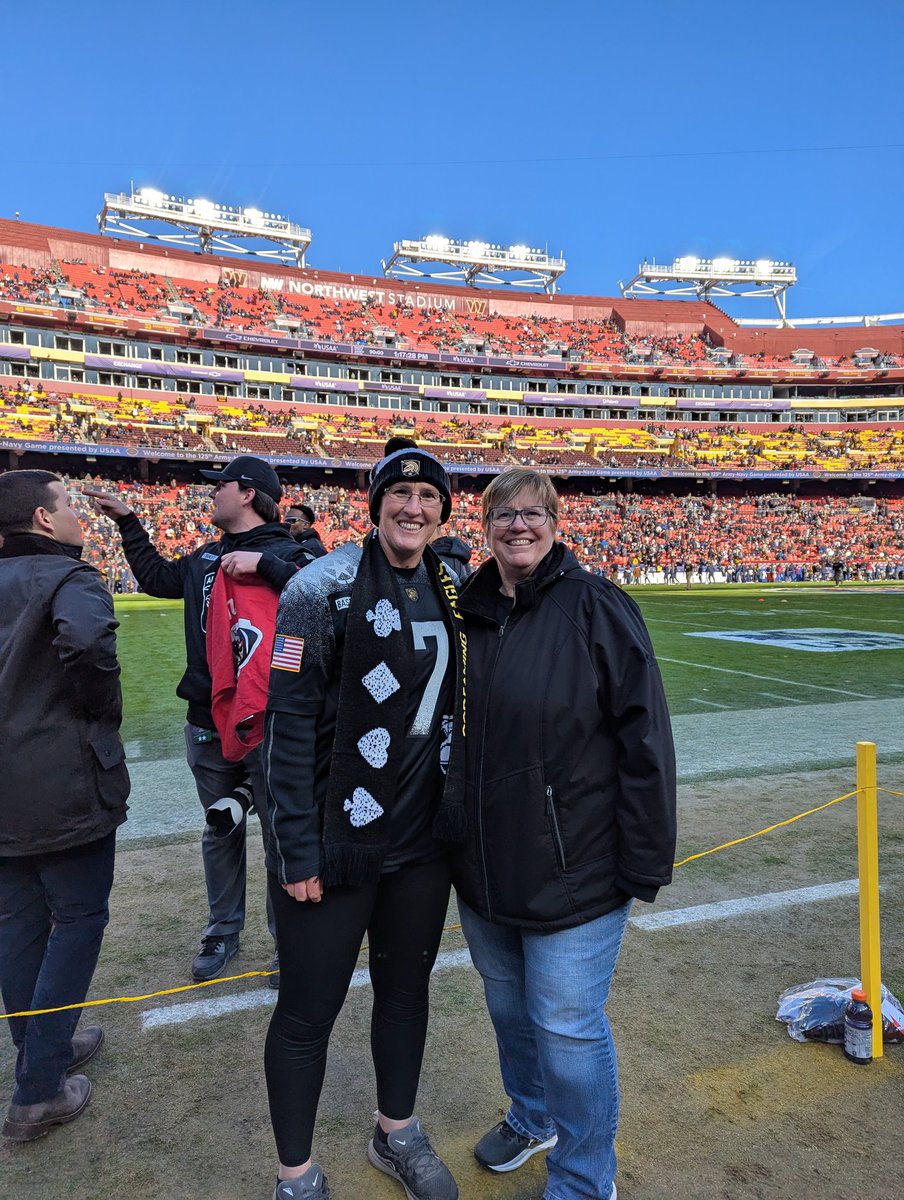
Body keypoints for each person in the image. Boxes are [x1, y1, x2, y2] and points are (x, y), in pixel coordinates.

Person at [453, 467, 677, 1200]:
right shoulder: (470, 614)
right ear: (484, 526)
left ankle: (585, 1179)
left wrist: (644, 857)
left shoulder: (597, 606)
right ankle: (533, 1114)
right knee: (510, 1011)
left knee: (569, 1028)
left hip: (576, 864)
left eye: (532, 513)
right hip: (486, 866)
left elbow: (645, 739)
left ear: (555, 522)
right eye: (503, 514)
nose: (518, 525)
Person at [263, 438, 467, 1200]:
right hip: (336, 840)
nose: (413, 508)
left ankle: (396, 1132)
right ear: (376, 503)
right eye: (399, 496)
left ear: (443, 510)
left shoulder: (454, 582)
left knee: (406, 993)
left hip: (421, 843)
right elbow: (283, 729)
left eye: (428, 498)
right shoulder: (319, 588)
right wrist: (294, 848)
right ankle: (296, 1174)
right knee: (306, 1012)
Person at [85, 456, 312, 984]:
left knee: (283, 833)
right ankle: (223, 929)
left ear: (250, 494)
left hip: (272, 720)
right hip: (206, 716)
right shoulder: (205, 556)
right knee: (220, 829)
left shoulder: (293, 551)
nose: (210, 495)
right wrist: (127, 521)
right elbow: (158, 577)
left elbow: (323, 604)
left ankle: (289, 941)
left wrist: (268, 568)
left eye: (221, 486)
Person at [0, 470, 129, 1141]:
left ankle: (41, 1051)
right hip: (62, 786)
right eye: (70, 504)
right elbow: (86, 644)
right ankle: (38, 1089)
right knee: (77, 920)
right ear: (45, 520)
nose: (80, 515)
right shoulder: (68, 578)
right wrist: (100, 709)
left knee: (18, 925)